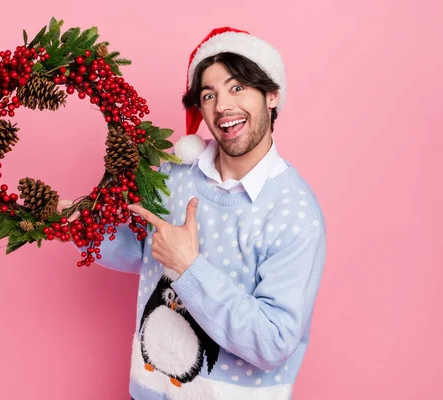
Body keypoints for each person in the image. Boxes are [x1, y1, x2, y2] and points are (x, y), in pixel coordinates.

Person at [60, 27, 326, 400]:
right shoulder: (176, 171)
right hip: (151, 390)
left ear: (271, 95)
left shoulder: (295, 214)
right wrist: (77, 221)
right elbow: (143, 249)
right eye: (209, 94)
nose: (222, 106)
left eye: (237, 88)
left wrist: (189, 268)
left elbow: (273, 341)